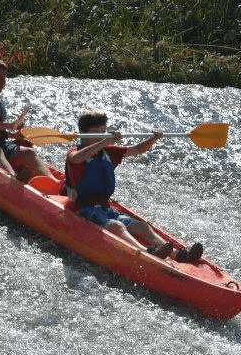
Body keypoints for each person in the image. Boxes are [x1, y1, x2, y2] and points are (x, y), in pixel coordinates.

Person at [63, 111, 204, 263]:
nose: (100, 136)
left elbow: (137, 149)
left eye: (103, 132)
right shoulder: (75, 151)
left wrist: (153, 139)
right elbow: (76, 159)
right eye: (95, 133)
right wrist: (105, 141)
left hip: (105, 208)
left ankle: (178, 255)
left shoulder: (108, 151)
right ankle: (145, 252)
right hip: (83, 208)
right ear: (83, 134)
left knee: (142, 226)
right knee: (117, 226)